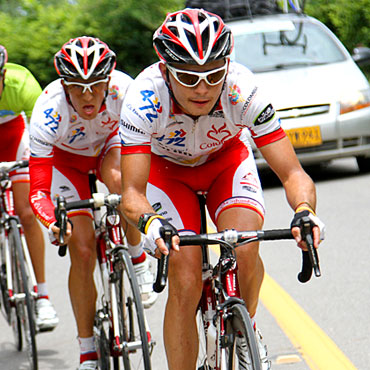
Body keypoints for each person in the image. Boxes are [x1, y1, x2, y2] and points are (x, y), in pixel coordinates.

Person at [119, 8, 325, 370]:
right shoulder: (143, 98)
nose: (202, 88)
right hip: (168, 174)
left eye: (214, 75)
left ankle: (246, 330)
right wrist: (151, 224)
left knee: (244, 242)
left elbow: (293, 173)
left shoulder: (242, 90)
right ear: (165, 69)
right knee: (184, 274)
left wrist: (305, 211)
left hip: (225, 162)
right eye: (188, 77)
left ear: (227, 66)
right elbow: (132, 195)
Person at [28, 36, 157, 370]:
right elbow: (38, 192)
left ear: (108, 81)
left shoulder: (124, 91)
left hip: (108, 149)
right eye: (77, 87)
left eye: (96, 85)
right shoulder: (48, 109)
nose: (87, 95)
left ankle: (137, 257)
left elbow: (144, 146)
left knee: (119, 181)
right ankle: (87, 350)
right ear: (64, 85)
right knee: (82, 250)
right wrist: (53, 221)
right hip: (65, 163)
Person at [0, 45, 59, 331]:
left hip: (16, 136)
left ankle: (43, 297)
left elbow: (41, 133)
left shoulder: (21, 82)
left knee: (25, 211)